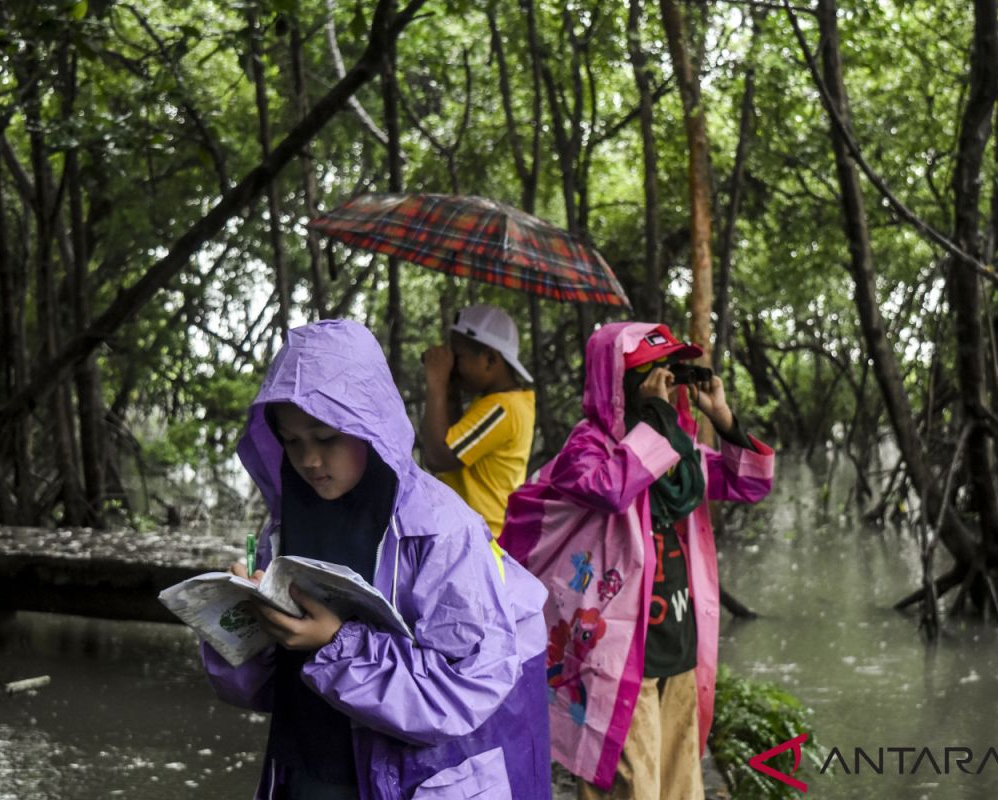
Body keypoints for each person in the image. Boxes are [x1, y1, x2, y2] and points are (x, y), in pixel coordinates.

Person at [202, 319, 551, 800]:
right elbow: (255, 689)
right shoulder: (283, 526)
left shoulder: (441, 531)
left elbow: (467, 689)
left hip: (403, 780)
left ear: (370, 425)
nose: (309, 460)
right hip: (304, 768)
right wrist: (242, 622)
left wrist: (337, 643)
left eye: (326, 438)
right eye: (292, 441)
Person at [499, 322, 774, 800]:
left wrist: (723, 418)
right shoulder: (588, 449)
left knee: (680, 787)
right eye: (647, 374)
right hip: (618, 657)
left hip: (680, 646)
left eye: (667, 372)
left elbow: (749, 483)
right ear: (615, 383)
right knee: (630, 788)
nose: (662, 383)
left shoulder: (677, 450)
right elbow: (608, 488)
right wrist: (660, 420)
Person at [420, 305, 535, 570]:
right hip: (472, 538)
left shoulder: (501, 409)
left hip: (482, 543)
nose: (454, 366)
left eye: (458, 356)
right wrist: (447, 388)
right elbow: (451, 435)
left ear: (490, 360)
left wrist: (436, 382)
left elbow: (439, 455)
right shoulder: (499, 404)